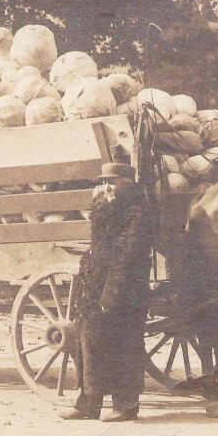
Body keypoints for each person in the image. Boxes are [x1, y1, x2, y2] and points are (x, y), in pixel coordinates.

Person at [60, 162, 155, 422]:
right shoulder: (105, 209)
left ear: (127, 183)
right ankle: (88, 403)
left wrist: (111, 293)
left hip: (124, 291)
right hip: (95, 287)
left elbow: (126, 258)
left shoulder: (137, 213)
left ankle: (126, 405)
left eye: (111, 182)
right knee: (88, 343)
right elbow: (97, 248)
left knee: (124, 345)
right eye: (102, 182)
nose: (105, 187)